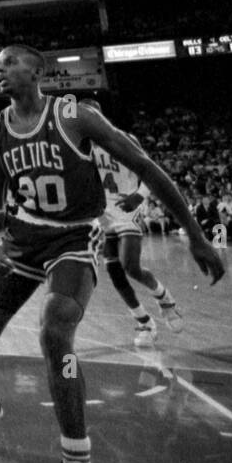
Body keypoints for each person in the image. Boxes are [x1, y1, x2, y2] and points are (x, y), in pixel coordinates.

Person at [0, 46, 224, 463]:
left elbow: (145, 166)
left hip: (74, 236)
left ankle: (76, 457)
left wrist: (196, 235)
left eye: (10, 63)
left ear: (38, 71)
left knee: (55, 334)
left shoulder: (74, 116)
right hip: (23, 237)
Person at [82, 100, 182, 347]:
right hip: (102, 213)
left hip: (128, 207)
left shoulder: (124, 139)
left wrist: (139, 195)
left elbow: (151, 171)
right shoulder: (79, 147)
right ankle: (144, 322)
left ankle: (165, 299)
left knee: (130, 266)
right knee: (115, 273)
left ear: (99, 116)